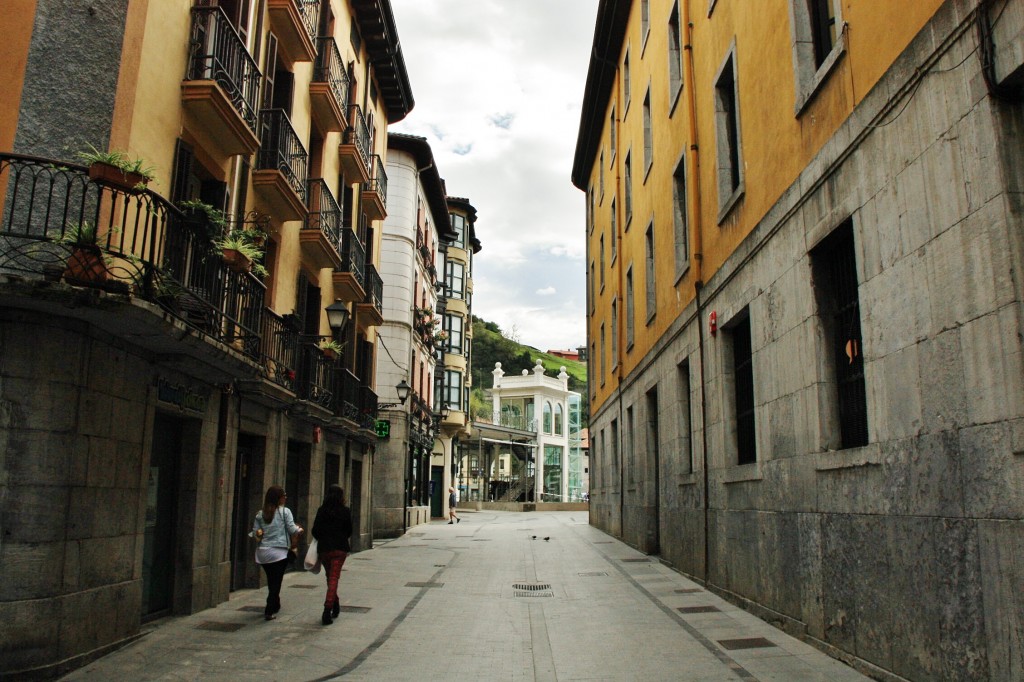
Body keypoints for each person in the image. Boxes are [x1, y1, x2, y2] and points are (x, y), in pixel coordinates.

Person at [252, 485, 302, 621]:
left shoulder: (260, 514)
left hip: (263, 553)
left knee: (271, 579)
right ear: (278, 498)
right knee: (276, 582)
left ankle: (276, 603)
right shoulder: (285, 512)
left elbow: (256, 534)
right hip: (279, 552)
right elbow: (292, 530)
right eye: (284, 495)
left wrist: (262, 534)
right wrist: (299, 529)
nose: (285, 497)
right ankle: (269, 609)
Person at [311, 484, 353, 625]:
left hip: (324, 550)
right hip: (339, 549)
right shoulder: (345, 511)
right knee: (333, 578)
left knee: (330, 577)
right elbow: (349, 530)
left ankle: (335, 605)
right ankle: (327, 609)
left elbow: (315, 530)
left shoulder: (322, 511)